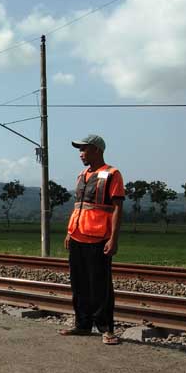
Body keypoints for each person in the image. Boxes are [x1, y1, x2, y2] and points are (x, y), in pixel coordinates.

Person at [59, 134, 125, 345]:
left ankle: (106, 328)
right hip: (77, 237)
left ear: (97, 149)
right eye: (80, 150)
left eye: (84, 149)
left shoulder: (112, 174)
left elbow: (117, 209)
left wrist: (113, 239)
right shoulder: (82, 175)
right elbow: (79, 207)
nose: (80, 154)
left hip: (98, 239)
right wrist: (70, 232)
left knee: (100, 286)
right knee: (78, 284)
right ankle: (82, 325)